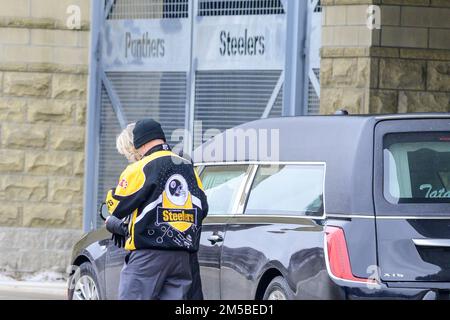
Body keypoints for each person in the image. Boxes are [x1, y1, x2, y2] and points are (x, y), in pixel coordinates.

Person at [105, 119, 208, 300]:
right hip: (183, 258)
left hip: (148, 257)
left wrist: (110, 200)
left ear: (140, 143)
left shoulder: (140, 168)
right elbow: (203, 207)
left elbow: (117, 206)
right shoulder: (186, 166)